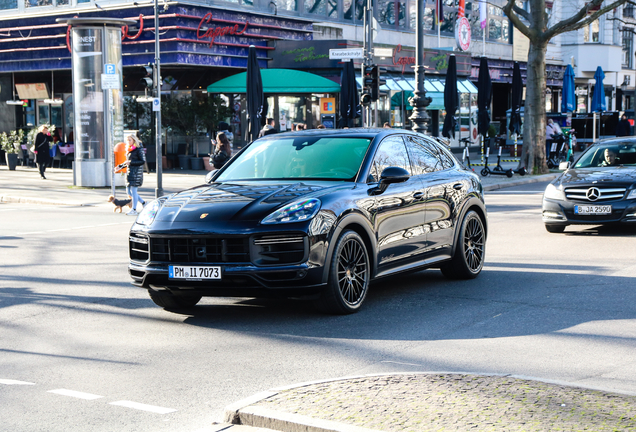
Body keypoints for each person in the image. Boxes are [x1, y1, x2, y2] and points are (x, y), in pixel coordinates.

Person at [122, 134, 146, 216]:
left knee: (133, 191)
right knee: (129, 192)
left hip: (136, 173)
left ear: (134, 140)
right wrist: (119, 167)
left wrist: (131, 163)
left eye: (130, 140)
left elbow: (142, 161)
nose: (128, 142)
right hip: (130, 172)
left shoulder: (139, 149)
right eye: (127, 140)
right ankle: (144, 203)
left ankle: (134, 209)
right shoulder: (130, 149)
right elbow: (128, 162)